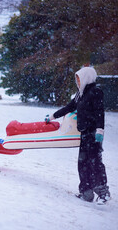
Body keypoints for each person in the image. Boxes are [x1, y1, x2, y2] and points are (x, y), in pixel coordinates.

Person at [45, 66, 110, 204]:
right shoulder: (80, 94)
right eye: (77, 79)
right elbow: (69, 107)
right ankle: (86, 192)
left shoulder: (95, 92)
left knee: (95, 162)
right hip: (84, 133)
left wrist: (100, 130)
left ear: (87, 78)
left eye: (79, 79)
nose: (78, 82)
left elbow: (100, 112)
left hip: (94, 133)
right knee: (83, 163)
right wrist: (52, 116)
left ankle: (103, 194)